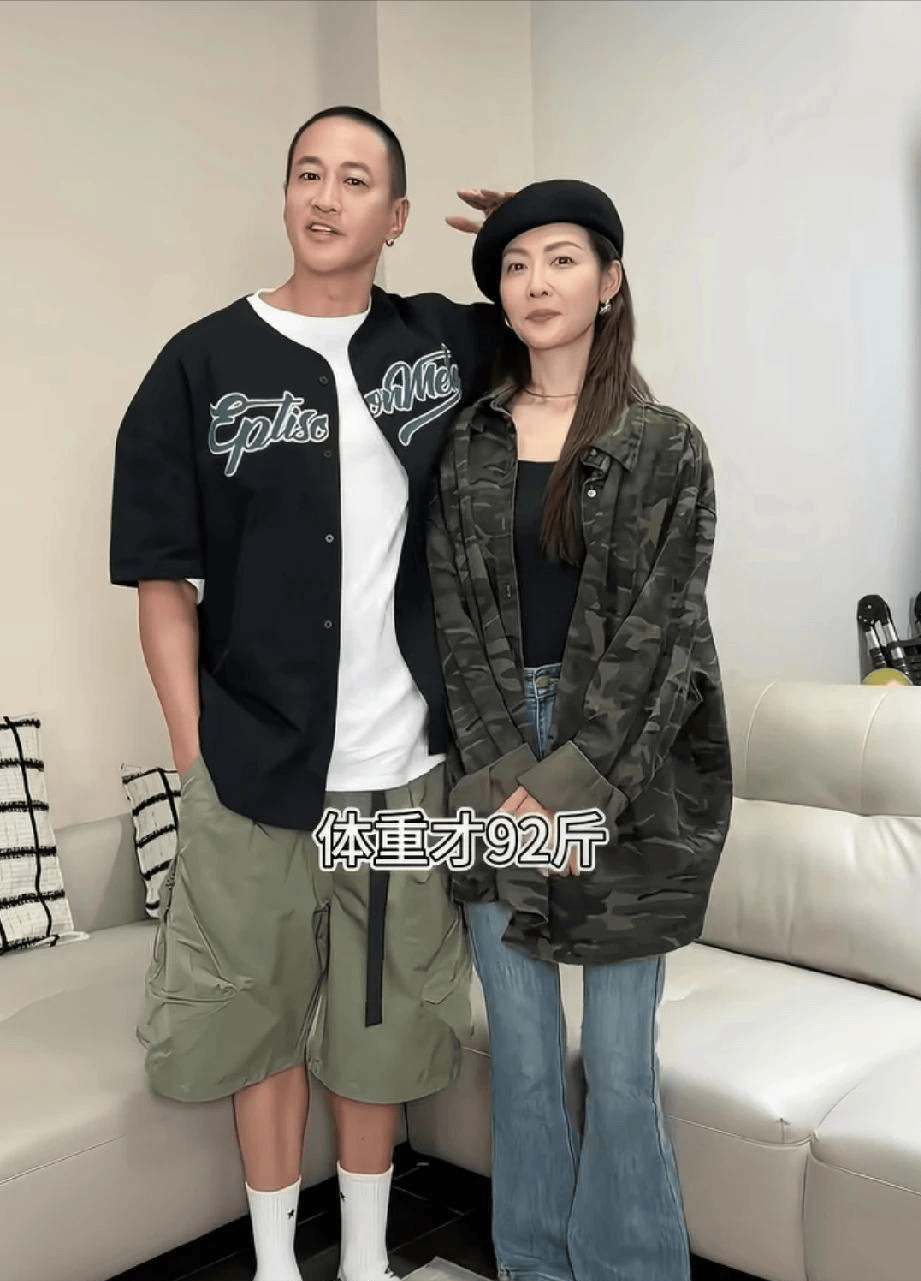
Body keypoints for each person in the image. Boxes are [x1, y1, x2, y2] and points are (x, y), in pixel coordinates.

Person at [110, 106, 503, 1281]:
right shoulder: (201, 364)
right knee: (261, 1022)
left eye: (356, 180)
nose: (325, 198)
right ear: (286, 194)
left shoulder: (442, 342)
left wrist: (531, 229)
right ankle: (279, 1267)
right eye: (307, 174)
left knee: (380, 1027)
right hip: (256, 769)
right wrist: (194, 752)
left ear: (398, 215)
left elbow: (576, 334)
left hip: (403, 771)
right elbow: (163, 582)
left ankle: (370, 1261)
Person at [427, 180, 733, 1281]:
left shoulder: (663, 444)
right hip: (493, 747)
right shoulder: (467, 443)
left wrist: (568, 784)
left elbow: (664, 632)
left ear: (610, 282)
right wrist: (508, 773)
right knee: (518, 1054)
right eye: (515, 265)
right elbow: (455, 616)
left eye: (562, 258)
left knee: (618, 1059)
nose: (537, 282)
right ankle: (532, 1265)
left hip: (628, 761)